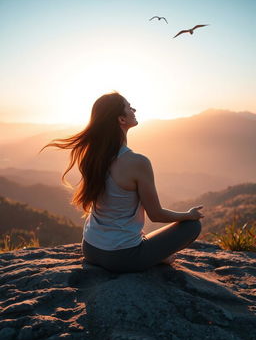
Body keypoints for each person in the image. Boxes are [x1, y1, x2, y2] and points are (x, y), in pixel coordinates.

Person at [41, 91, 203, 273]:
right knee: (192, 227)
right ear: (121, 120)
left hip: (90, 249)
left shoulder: (92, 156)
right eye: (129, 106)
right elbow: (156, 215)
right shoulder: (138, 162)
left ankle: (153, 254)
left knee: (139, 236)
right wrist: (189, 215)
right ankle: (155, 257)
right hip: (122, 258)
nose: (134, 109)